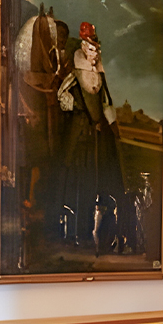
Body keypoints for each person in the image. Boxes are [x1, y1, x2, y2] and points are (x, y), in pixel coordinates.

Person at [56, 22, 124, 255]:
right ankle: (75, 232)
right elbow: (62, 95)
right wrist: (76, 109)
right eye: (90, 45)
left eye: (96, 46)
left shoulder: (100, 75)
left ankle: (97, 233)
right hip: (79, 137)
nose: (93, 51)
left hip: (96, 137)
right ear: (84, 47)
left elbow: (105, 102)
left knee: (98, 180)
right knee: (77, 183)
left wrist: (112, 125)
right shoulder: (75, 72)